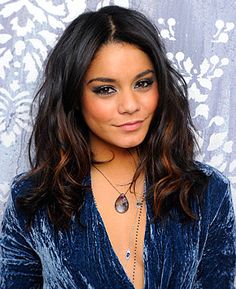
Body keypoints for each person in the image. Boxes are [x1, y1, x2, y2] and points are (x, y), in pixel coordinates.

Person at [0, 5, 235, 289]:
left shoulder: (206, 192)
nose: (130, 106)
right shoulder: (33, 200)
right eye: (105, 89)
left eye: (143, 83)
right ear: (74, 96)